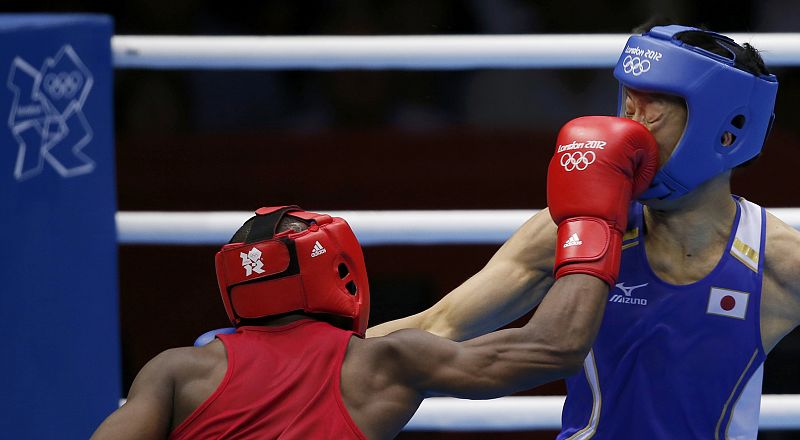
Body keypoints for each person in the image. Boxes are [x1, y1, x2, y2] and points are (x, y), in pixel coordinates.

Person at [91, 115, 658, 439]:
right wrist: (593, 222)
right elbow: (551, 348)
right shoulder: (380, 362)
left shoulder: (175, 371)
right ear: (337, 269)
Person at [369, 24, 800, 439]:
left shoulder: (777, 261)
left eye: (657, 101)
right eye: (630, 98)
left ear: (726, 131)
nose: (633, 117)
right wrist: (314, 353)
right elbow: (438, 324)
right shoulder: (576, 225)